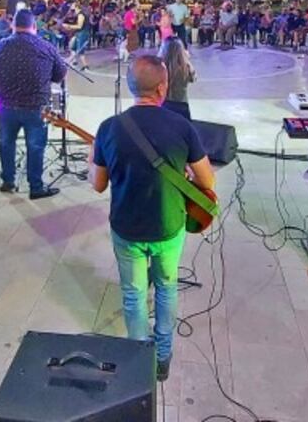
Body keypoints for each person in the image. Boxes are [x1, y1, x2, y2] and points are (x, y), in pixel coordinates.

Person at [89, 55, 215, 381]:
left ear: (131, 87)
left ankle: (137, 359)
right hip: (168, 226)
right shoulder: (182, 127)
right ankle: (162, 358)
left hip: (127, 227)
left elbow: (98, 184)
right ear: (163, 87)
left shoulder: (109, 128)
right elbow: (208, 182)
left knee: (133, 293)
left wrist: (95, 157)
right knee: (166, 288)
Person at [0, 9, 65, 200]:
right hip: (36, 107)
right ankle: (36, 187)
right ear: (34, 26)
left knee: (6, 142)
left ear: (12, 26)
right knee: (35, 146)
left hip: (7, 106)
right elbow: (59, 75)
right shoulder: (46, 47)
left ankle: (8, 181)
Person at [158, 36, 195, 120]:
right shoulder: (186, 67)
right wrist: (187, 59)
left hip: (164, 104)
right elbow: (193, 78)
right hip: (181, 104)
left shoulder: (159, 67)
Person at [64, 5, 92, 70]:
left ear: (77, 8)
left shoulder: (81, 15)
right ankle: (72, 61)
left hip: (82, 33)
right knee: (73, 47)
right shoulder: (78, 15)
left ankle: (85, 66)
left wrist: (69, 26)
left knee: (80, 50)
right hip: (79, 33)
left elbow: (79, 26)